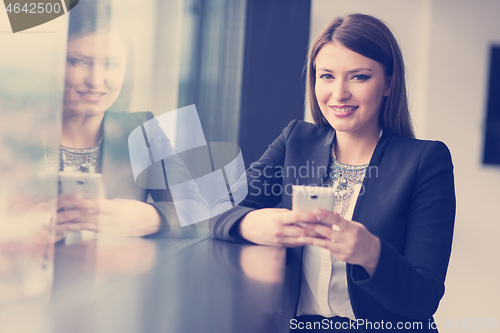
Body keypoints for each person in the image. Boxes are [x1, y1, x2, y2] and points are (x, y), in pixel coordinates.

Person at [210, 14, 455, 332]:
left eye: (359, 77)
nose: (338, 94)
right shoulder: (295, 140)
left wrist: (370, 253)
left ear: (389, 83)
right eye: (326, 76)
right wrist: (255, 223)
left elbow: (425, 297)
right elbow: (218, 210)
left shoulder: (426, 161)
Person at [43, 1, 204, 240]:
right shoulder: (15, 130)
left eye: (111, 64)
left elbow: (196, 210)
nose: (96, 80)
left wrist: (142, 217)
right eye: (79, 61)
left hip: (116, 272)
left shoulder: (141, 131)